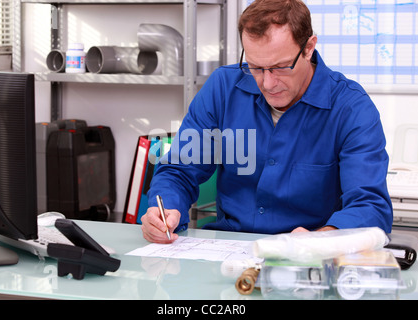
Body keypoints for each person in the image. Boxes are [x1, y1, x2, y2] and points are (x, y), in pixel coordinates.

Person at [141, 0, 393, 243]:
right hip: (228, 255)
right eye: (255, 67)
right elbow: (178, 171)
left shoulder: (351, 107)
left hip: (309, 262)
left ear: (308, 48)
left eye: (280, 67)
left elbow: (370, 207)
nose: (268, 84)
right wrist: (164, 212)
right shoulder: (222, 88)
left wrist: (321, 239)